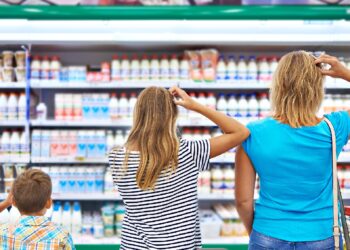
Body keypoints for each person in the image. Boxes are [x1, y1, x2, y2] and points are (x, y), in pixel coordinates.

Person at [109, 86, 249, 249]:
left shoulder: (117, 157)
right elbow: (240, 132)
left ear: (137, 114)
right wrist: (195, 105)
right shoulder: (188, 152)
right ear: (172, 115)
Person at [235, 51, 350, 250]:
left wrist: (258, 232)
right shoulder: (335, 128)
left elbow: (243, 201)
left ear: (278, 85)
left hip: (268, 233)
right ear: (317, 87)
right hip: (321, 235)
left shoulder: (252, 133)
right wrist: (344, 73)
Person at [0, 169, 75, 250]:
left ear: (13, 202)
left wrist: (6, 203)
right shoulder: (62, 236)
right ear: (49, 203)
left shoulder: (3, 233)